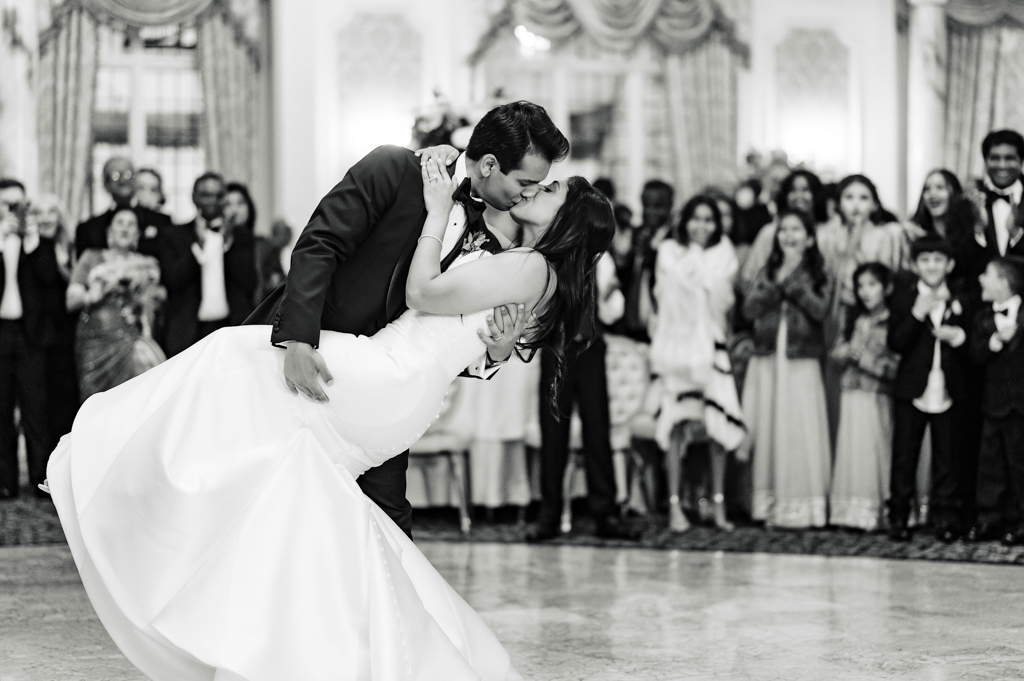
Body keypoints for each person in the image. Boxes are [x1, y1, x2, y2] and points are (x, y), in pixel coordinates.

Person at [43, 146, 613, 678]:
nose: (537, 189)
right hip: (399, 384)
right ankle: (329, 650)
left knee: (233, 356)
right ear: (489, 165)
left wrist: (438, 213)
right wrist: (491, 347)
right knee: (302, 501)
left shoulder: (528, 266)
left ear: (567, 223)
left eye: (551, 188)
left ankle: (111, 456)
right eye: (534, 179)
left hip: (390, 374)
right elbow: (486, 338)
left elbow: (424, 298)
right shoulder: (518, 257)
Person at [245, 101, 569, 538]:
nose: (528, 193)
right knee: (264, 494)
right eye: (526, 182)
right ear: (490, 164)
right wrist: (299, 341)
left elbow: (440, 332)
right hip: (309, 359)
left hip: (381, 387)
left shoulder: (490, 241)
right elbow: (318, 245)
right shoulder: (393, 168)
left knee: (388, 523)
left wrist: (493, 354)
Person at [649, 196, 745, 533]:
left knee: (718, 426)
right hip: (676, 348)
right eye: (695, 218)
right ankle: (675, 507)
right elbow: (664, 295)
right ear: (685, 221)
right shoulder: (667, 251)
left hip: (712, 347)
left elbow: (724, 298)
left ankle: (717, 505)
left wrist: (697, 276)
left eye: (709, 220)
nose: (701, 226)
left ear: (717, 224)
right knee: (676, 426)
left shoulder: (724, 253)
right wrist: (693, 276)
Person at [529, 246, 637, 542]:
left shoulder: (601, 258)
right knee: (553, 432)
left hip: (590, 348)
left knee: (597, 428)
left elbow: (613, 311)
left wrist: (606, 293)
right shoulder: (550, 256)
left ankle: (605, 513)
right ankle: (548, 515)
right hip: (556, 347)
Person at [741, 209, 834, 528]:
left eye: (797, 230)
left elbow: (821, 310)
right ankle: (766, 502)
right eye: (784, 230)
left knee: (799, 424)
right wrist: (774, 283)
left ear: (810, 239)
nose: (790, 235)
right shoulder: (767, 269)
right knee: (769, 423)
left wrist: (793, 282)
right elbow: (749, 308)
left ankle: (803, 505)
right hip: (767, 354)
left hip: (801, 356)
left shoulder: (818, 271)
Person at [887, 236, 971, 542]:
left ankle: (946, 518)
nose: (931, 266)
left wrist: (959, 336)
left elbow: (972, 344)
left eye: (938, 260)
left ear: (949, 265)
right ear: (914, 265)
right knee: (904, 455)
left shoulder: (962, 297)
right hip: (912, 387)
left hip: (949, 386)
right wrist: (916, 314)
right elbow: (896, 342)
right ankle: (898, 517)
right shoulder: (903, 297)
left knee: (947, 457)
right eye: (924, 260)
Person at [67, 208, 166, 401]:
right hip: (95, 343)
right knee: (95, 402)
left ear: (137, 234)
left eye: (131, 224)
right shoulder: (91, 257)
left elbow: (157, 300)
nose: (125, 228)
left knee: (135, 400)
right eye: (120, 223)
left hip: (131, 342)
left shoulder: (147, 265)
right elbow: (70, 301)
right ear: (109, 232)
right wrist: (91, 296)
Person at [829, 263, 900, 531]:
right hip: (851, 392)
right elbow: (835, 353)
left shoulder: (892, 321)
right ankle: (849, 511)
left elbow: (895, 367)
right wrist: (845, 352)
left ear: (887, 288)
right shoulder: (854, 320)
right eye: (861, 286)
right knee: (851, 452)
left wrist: (865, 358)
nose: (866, 292)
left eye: (872, 285)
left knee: (874, 452)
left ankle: (876, 512)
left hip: (876, 395)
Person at [158, 173, 258, 357]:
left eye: (219, 195)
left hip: (232, 328)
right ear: (194, 197)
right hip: (188, 332)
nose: (212, 200)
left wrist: (229, 244)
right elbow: (173, 281)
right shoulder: (174, 235)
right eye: (206, 194)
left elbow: (249, 283)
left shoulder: (242, 236)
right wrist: (198, 247)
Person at [0, 179, 54, 499]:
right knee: (1, 411)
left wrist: (33, 242)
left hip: (31, 337)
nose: (12, 210)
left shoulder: (39, 243)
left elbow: (49, 283)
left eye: (18, 204)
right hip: (0, 334)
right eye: (5, 204)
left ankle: (39, 477)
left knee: (36, 411)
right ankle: (5, 480)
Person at [968, 256, 1024, 545]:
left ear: (1003, 282)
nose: (980, 279)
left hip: (1021, 404)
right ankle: (989, 519)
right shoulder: (982, 318)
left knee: (1020, 465)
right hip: (992, 402)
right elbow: (974, 355)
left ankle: (1020, 521)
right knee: (990, 465)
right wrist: (992, 343)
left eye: (986, 274)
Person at [26, 194, 80, 444]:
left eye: (51, 212)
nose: (45, 218)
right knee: (38, 406)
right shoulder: (29, 248)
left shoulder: (69, 248)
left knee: (65, 400)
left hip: (66, 336)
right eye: (39, 212)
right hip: (35, 336)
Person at [739, 169, 830, 290]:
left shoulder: (826, 234)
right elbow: (749, 276)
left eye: (805, 190)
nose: (799, 196)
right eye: (792, 190)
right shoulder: (770, 232)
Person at [74, 157, 170, 259]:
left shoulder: (161, 222)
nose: (123, 180)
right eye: (116, 175)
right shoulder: (88, 230)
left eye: (127, 174)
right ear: (105, 184)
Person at [618, 179, 674, 342]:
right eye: (646, 205)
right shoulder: (635, 234)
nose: (650, 212)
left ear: (670, 206)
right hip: (630, 322)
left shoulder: (675, 240)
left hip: (661, 323)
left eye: (658, 207)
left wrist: (652, 254)